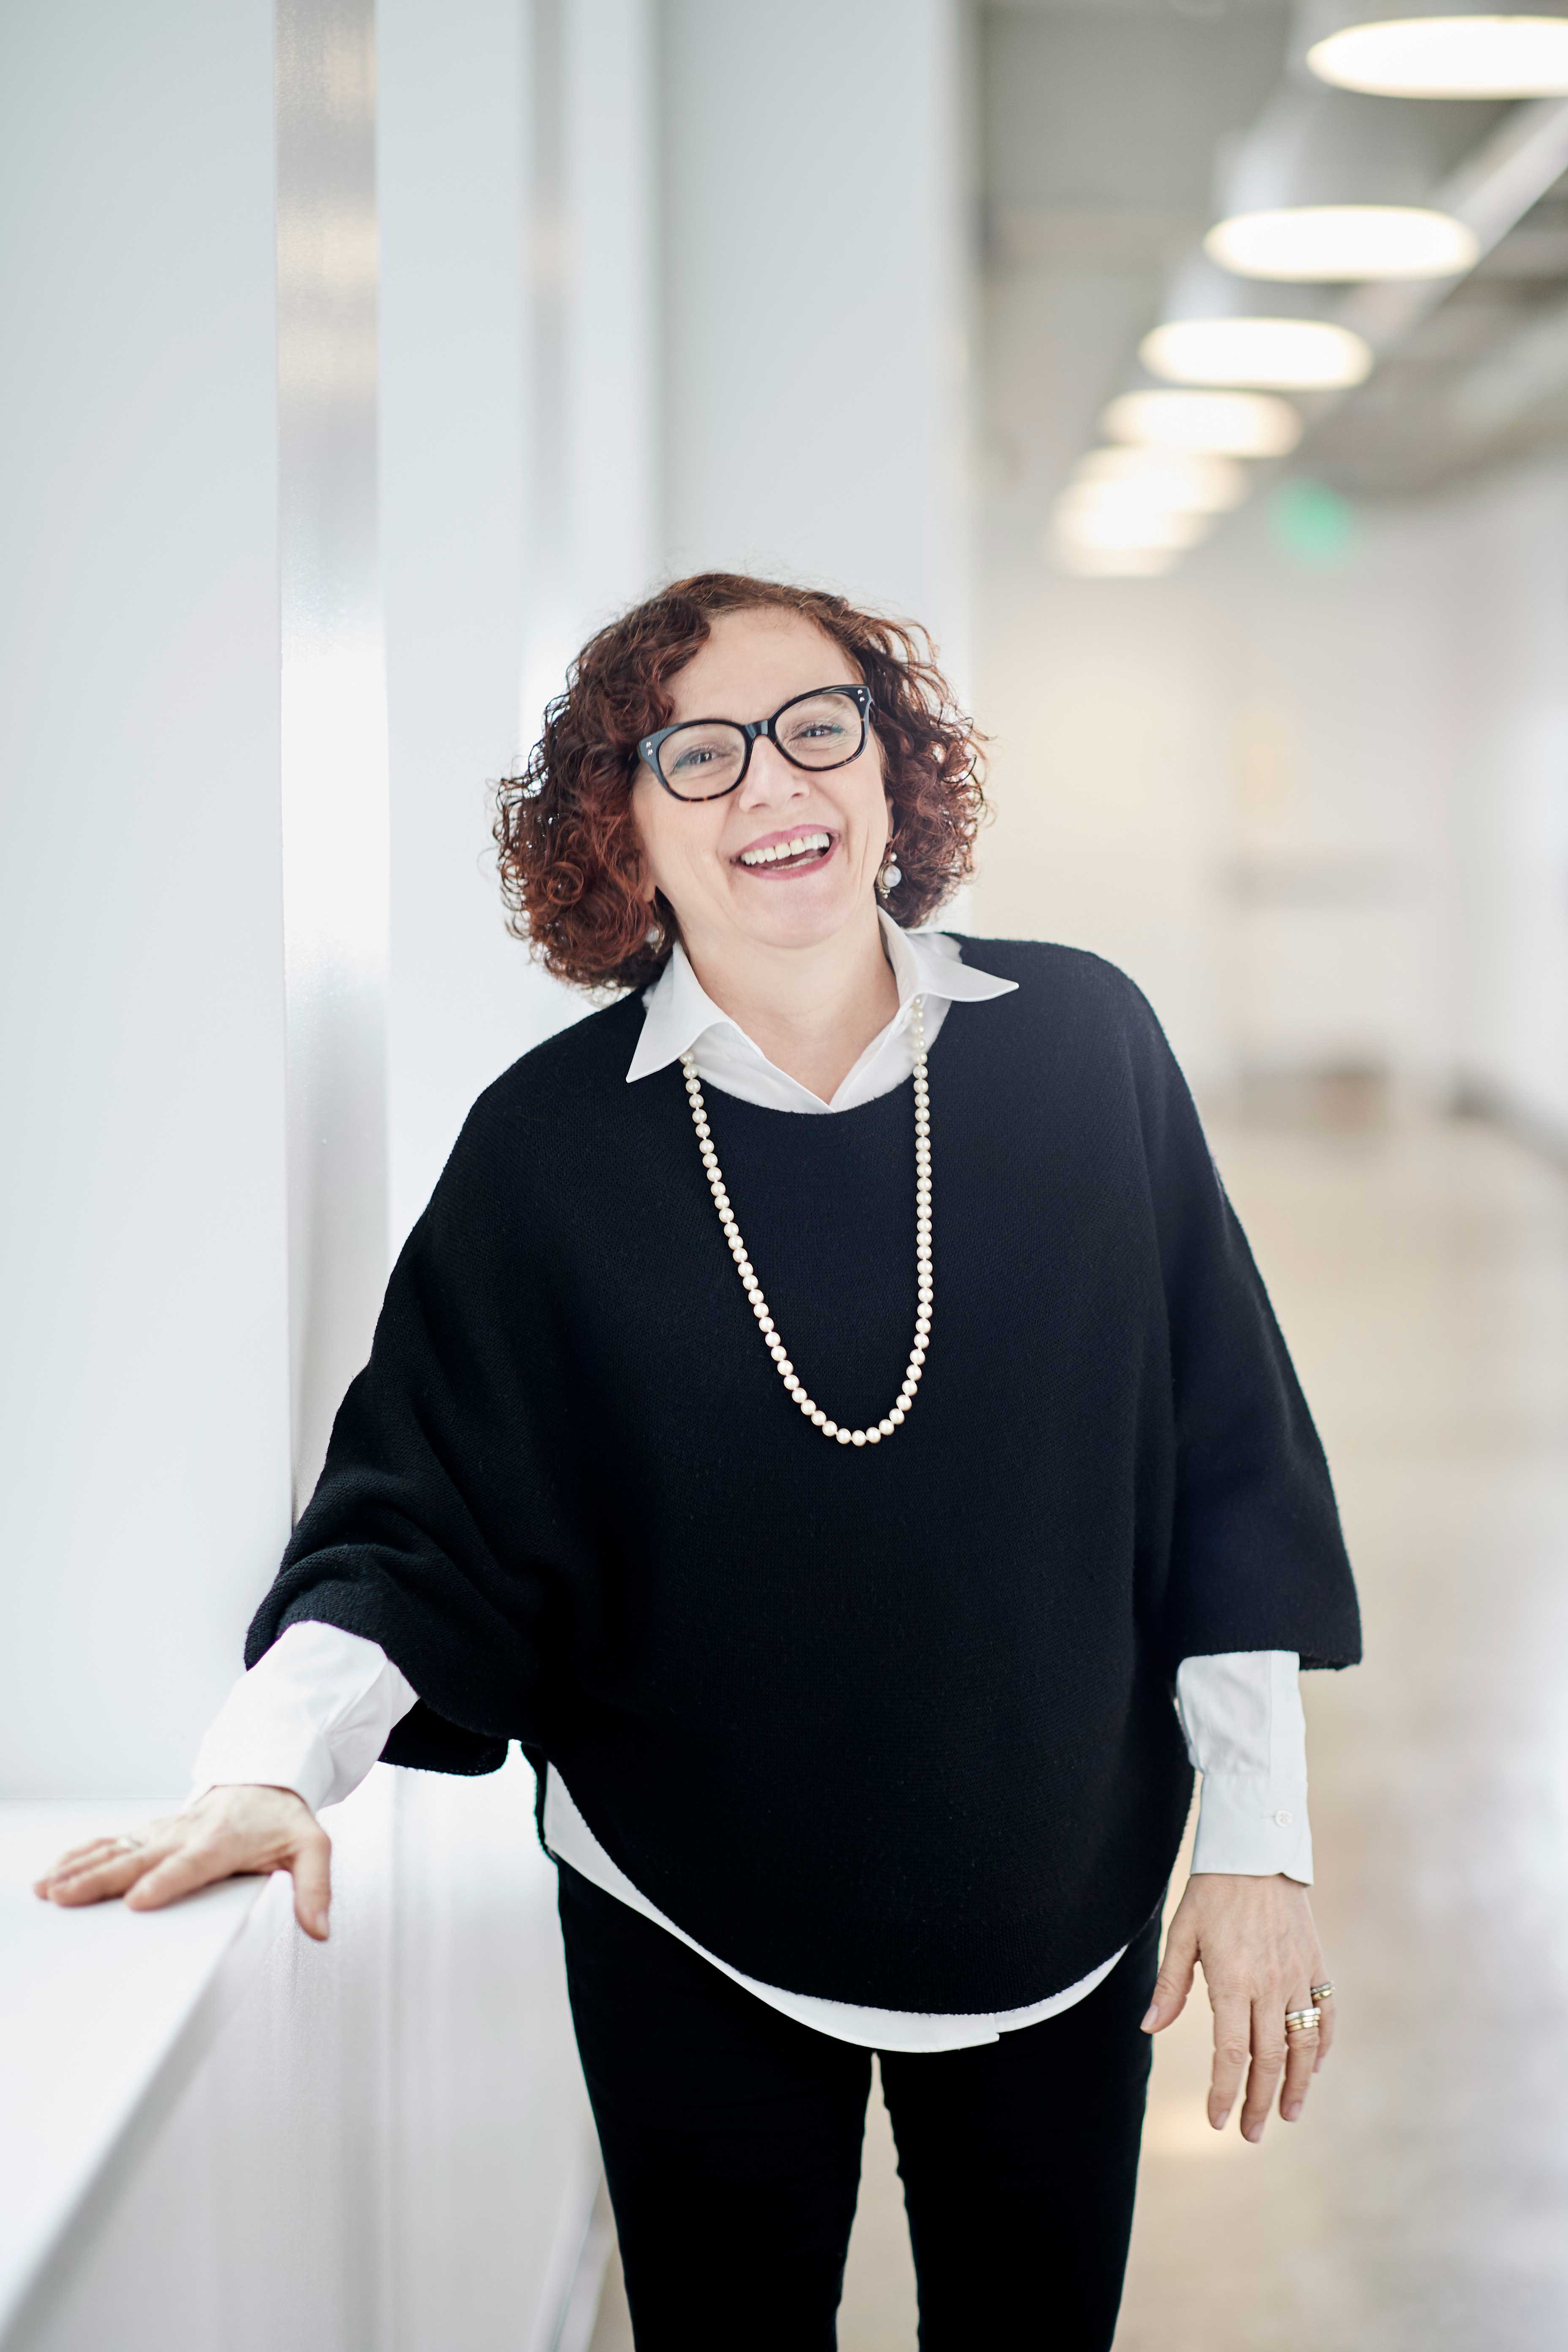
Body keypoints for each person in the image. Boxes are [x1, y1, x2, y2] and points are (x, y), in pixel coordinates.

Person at [36, 573, 1360, 2349]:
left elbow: (1226, 1456)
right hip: (684, 1900)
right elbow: (421, 1514)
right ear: (624, 826)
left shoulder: (1084, 1046)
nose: (773, 784)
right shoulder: (548, 1150)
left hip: (1059, 1872)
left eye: (819, 728)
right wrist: (269, 1769)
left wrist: (1260, 1845)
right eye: (699, 754)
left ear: (892, 771)